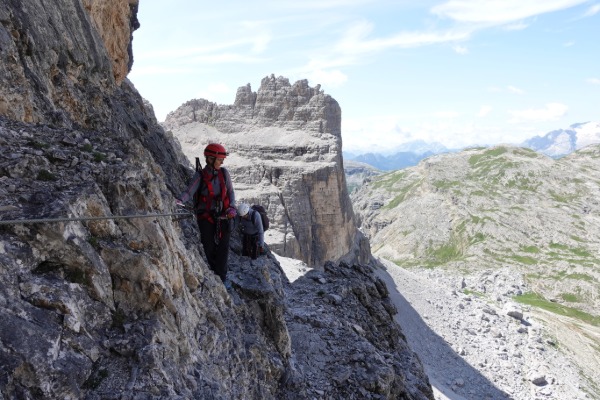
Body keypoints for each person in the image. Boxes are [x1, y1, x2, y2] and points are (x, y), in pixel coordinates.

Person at [177, 143, 237, 287]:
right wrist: (179, 201)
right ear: (210, 159)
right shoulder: (200, 176)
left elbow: (230, 192)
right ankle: (212, 273)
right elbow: (189, 191)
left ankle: (222, 278)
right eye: (219, 159)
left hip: (224, 216)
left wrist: (232, 207)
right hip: (206, 217)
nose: (222, 162)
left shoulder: (224, 173)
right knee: (208, 246)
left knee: (224, 247)